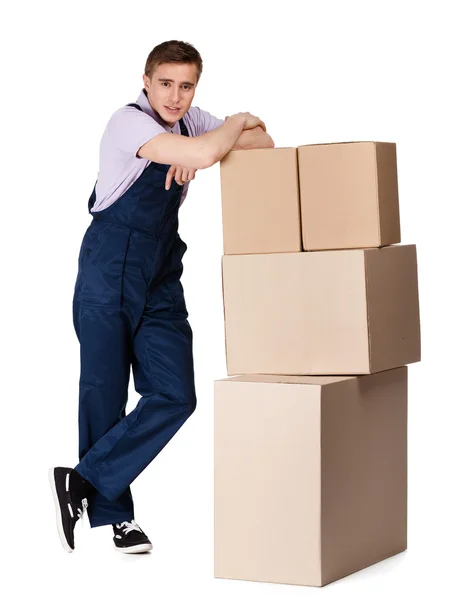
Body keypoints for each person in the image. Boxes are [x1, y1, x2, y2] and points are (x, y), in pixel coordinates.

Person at [48, 39, 274, 554]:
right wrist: (209, 147)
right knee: (105, 391)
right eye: (166, 84)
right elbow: (203, 152)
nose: (175, 97)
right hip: (109, 268)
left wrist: (231, 125)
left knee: (175, 394)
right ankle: (117, 517)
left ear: (196, 88)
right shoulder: (128, 122)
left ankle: (81, 481)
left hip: (160, 275)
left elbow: (264, 143)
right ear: (146, 82)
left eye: (187, 86)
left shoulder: (195, 122)